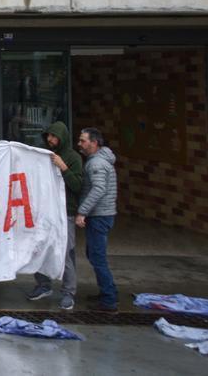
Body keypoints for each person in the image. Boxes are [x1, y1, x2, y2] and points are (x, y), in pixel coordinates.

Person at [27, 121, 83, 310]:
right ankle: (43, 285)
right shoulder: (44, 154)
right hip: (45, 211)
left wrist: (63, 167)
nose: (50, 140)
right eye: (48, 136)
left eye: (53, 136)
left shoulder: (73, 158)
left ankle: (68, 292)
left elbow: (78, 186)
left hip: (65, 212)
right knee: (40, 248)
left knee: (65, 252)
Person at [76, 127, 118, 312]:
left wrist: (82, 211)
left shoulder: (96, 164)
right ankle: (107, 293)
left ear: (94, 143)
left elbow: (98, 189)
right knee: (94, 254)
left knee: (97, 257)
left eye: (83, 140)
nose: (80, 143)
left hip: (99, 215)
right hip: (102, 214)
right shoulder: (98, 160)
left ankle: (109, 299)